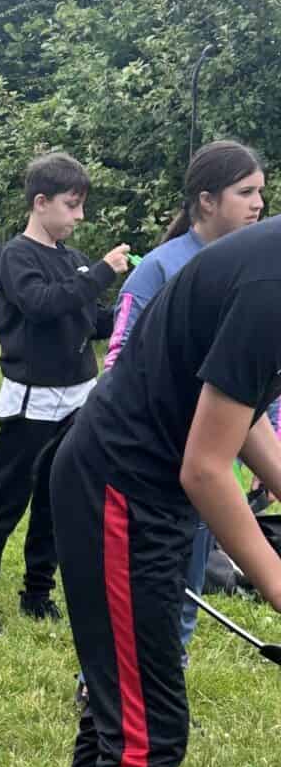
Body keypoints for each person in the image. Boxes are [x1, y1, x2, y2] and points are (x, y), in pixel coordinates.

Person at [45, 215, 281, 767]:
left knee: (121, 719)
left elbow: (239, 413)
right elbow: (206, 468)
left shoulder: (268, 266)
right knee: (146, 730)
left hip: (135, 491)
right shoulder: (272, 284)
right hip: (122, 491)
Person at [0, 153, 129, 635]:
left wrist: (136, 307)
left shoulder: (73, 260)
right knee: (6, 499)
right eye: (72, 205)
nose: (80, 216)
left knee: (59, 498)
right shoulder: (17, 257)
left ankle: (37, 592)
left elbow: (91, 321)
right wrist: (101, 273)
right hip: (31, 402)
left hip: (79, 399)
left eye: (81, 206)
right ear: (40, 202)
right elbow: (41, 304)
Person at [105, 141, 265, 654]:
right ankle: (99, 683)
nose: (258, 204)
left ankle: (172, 672)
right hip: (153, 461)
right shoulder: (159, 268)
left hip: (215, 463)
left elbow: (256, 376)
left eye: (261, 192)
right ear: (206, 200)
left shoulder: (256, 270)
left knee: (189, 584)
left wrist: (270, 449)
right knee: (139, 589)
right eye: (245, 192)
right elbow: (119, 360)